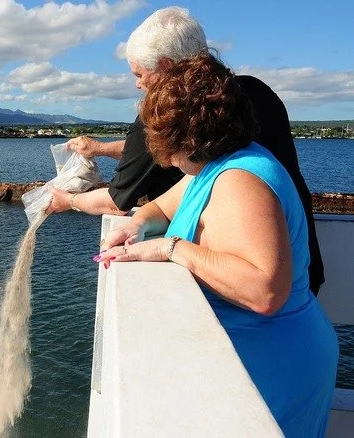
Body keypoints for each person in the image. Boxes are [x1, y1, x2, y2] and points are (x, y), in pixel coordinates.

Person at [94, 52, 338, 437]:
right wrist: (137, 224)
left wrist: (173, 248)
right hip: (256, 360)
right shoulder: (215, 167)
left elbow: (264, 290)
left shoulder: (241, 181)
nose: (168, 161)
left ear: (187, 137)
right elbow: (160, 206)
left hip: (273, 370)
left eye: (166, 145)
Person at [46, 6, 324, 294]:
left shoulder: (239, 178)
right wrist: (136, 216)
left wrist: (70, 201)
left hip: (258, 295)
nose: (137, 84)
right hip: (304, 268)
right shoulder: (253, 97)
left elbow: (264, 289)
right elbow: (162, 196)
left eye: (139, 74)